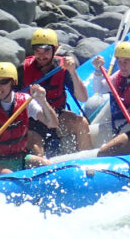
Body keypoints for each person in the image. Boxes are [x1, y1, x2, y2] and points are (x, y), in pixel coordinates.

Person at [0, 62, 58, 179]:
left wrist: (43, 101)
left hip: (19, 158)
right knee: (8, 175)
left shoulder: (25, 101)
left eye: (3, 82)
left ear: (13, 82)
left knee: (47, 165)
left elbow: (53, 123)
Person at [21, 28, 92, 156]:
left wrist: (73, 72)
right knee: (36, 144)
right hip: (32, 119)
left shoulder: (63, 68)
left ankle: (86, 163)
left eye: (46, 50)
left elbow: (83, 98)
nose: (41, 56)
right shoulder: (23, 69)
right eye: (38, 51)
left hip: (57, 116)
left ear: (55, 49)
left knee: (81, 123)